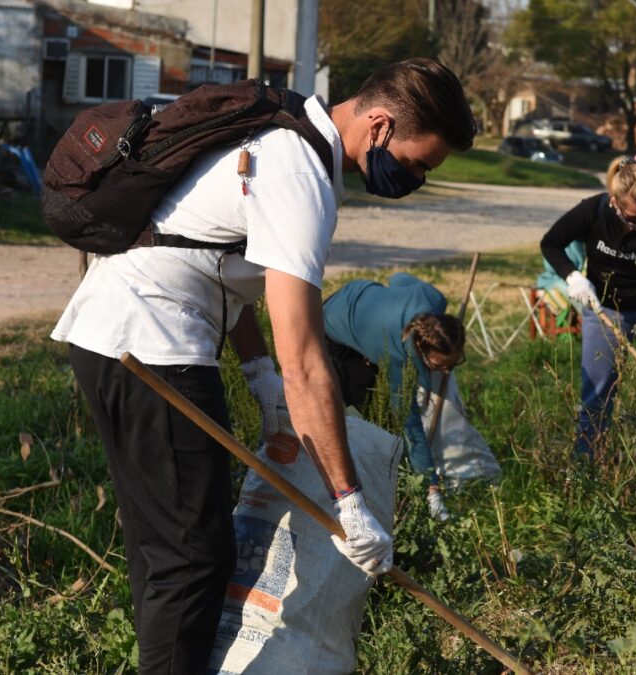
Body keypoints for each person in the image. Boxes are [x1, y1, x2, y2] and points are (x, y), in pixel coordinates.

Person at [51, 58, 476, 674]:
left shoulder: (283, 130)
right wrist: (350, 501)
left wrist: (256, 373)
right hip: (152, 346)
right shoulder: (300, 176)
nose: (415, 179)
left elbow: (217, 257)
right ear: (380, 126)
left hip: (110, 335)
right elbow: (305, 359)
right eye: (417, 164)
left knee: (166, 553)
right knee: (193, 560)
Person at [540, 156, 636, 458]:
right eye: (633, 219)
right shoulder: (593, 210)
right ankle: (586, 467)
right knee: (596, 394)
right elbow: (551, 242)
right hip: (604, 309)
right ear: (615, 203)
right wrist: (572, 276)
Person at [322, 273, 466, 521]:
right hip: (329, 326)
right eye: (439, 366)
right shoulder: (398, 358)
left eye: (453, 364)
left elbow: (398, 279)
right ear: (420, 350)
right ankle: (379, 492)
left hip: (361, 291)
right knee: (384, 423)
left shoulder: (433, 298)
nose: (445, 372)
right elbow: (411, 428)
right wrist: (432, 490)